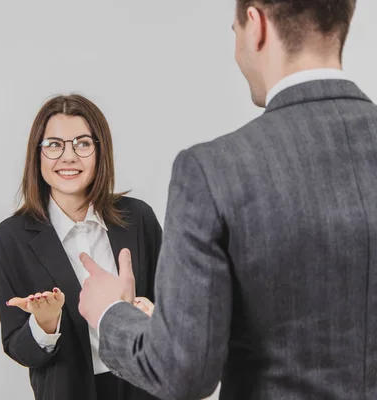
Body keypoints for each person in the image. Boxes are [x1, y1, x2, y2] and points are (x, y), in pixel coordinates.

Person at [78, 1, 377, 399]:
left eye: (233, 30)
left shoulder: (211, 171)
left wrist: (109, 314)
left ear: (256, 25)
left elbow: (183, 371)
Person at [0, 94, 163, 400]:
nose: (68, 157)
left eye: (82, 144)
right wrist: (45, 323)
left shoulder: (138, 219)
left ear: (100, 151)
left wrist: (146, 313)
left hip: (145, 389)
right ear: (37, 154)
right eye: (54, 144)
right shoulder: (11, 237)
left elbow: (176, 315)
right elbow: (19, 349)